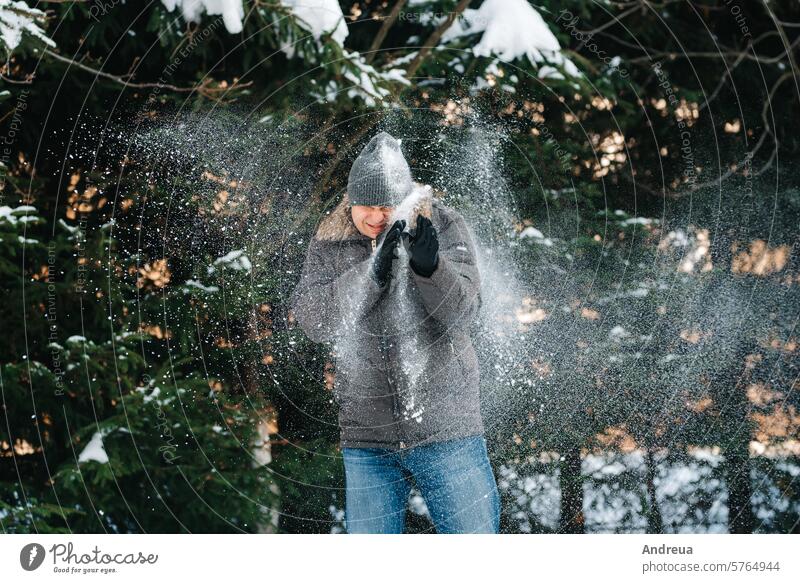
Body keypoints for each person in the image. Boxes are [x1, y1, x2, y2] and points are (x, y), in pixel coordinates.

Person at [290, 131, 500, 534]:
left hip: (447, 430)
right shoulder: (330, 240)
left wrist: (429, 268)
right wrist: (372, 275)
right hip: (367, 438)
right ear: (350, 202)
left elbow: (464, 312)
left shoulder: (445, 225)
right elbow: (314, 319)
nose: (374, 217)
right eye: (363, 206)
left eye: (385, 206)